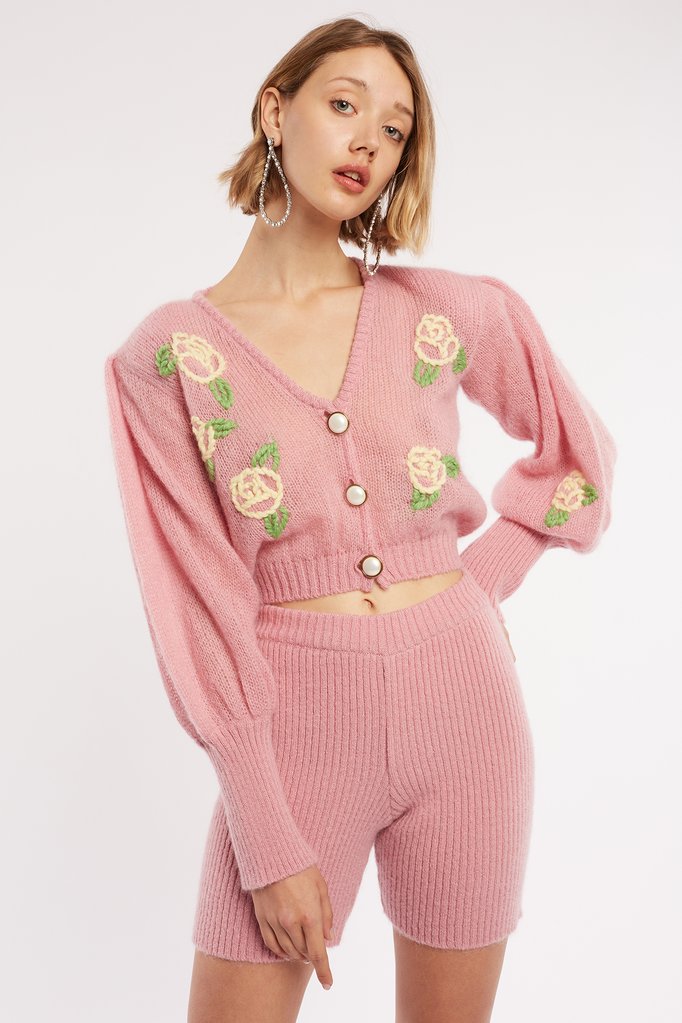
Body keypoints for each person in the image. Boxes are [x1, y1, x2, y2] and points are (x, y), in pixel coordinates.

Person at [103, 15, 617, 1023]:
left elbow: (579, 456)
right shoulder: (165, 357)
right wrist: (264, 838)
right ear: (275, 110)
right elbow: (195, 600)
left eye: (394, 128)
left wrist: (481, 579)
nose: (368, 142)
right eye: (344, 105)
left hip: (467, 710)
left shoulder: (444, 310)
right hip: (294, 730)